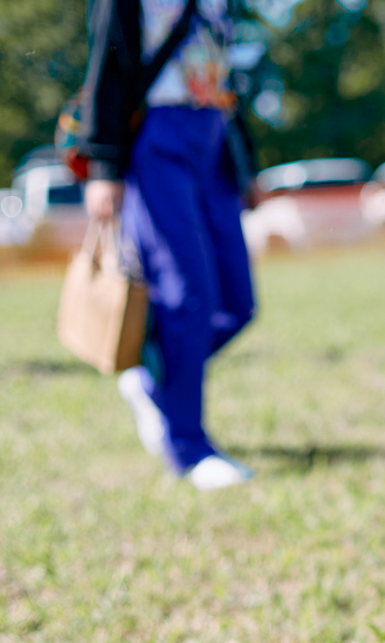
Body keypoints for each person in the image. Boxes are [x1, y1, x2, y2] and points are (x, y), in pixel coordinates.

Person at [81, 0, 256, 490]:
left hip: (214, 137)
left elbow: (224, 72)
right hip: (159, 138)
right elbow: (107, 65)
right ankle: (188, 447)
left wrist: (248, 162)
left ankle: (151, 378)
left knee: (238, 304)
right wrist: (104, 167)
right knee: (187, 296)